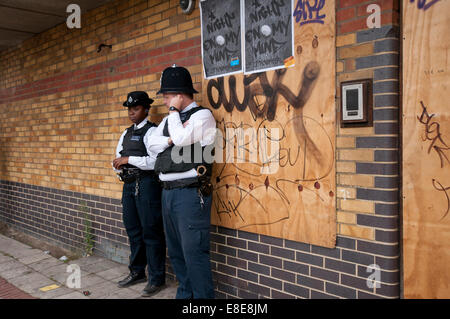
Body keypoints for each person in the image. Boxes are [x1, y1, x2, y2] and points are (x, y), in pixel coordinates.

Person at [148, 65, 216, 299]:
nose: (165, 102)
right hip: (167, 193)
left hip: (190, 193)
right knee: (176, 254)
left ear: (179, 94)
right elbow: (151, 144)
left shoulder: (202, 116)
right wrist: (170, 141)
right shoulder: (171, 120)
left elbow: (180, 138)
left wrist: (174, 115)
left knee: (194, 254)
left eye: (167, 97)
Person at [112, 91, 166, 297]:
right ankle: (137, 272)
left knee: (151, 231)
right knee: (133, 230)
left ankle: (156, 278)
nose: (132, 113)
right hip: (129, 185)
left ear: (146, 109)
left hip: (147, 185)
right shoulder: (126, 133)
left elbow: (155, 162)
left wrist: (129, 160)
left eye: (136, 109)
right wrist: (119, 167)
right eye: (129, 109)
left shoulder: (153, 132)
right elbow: (118, 158)